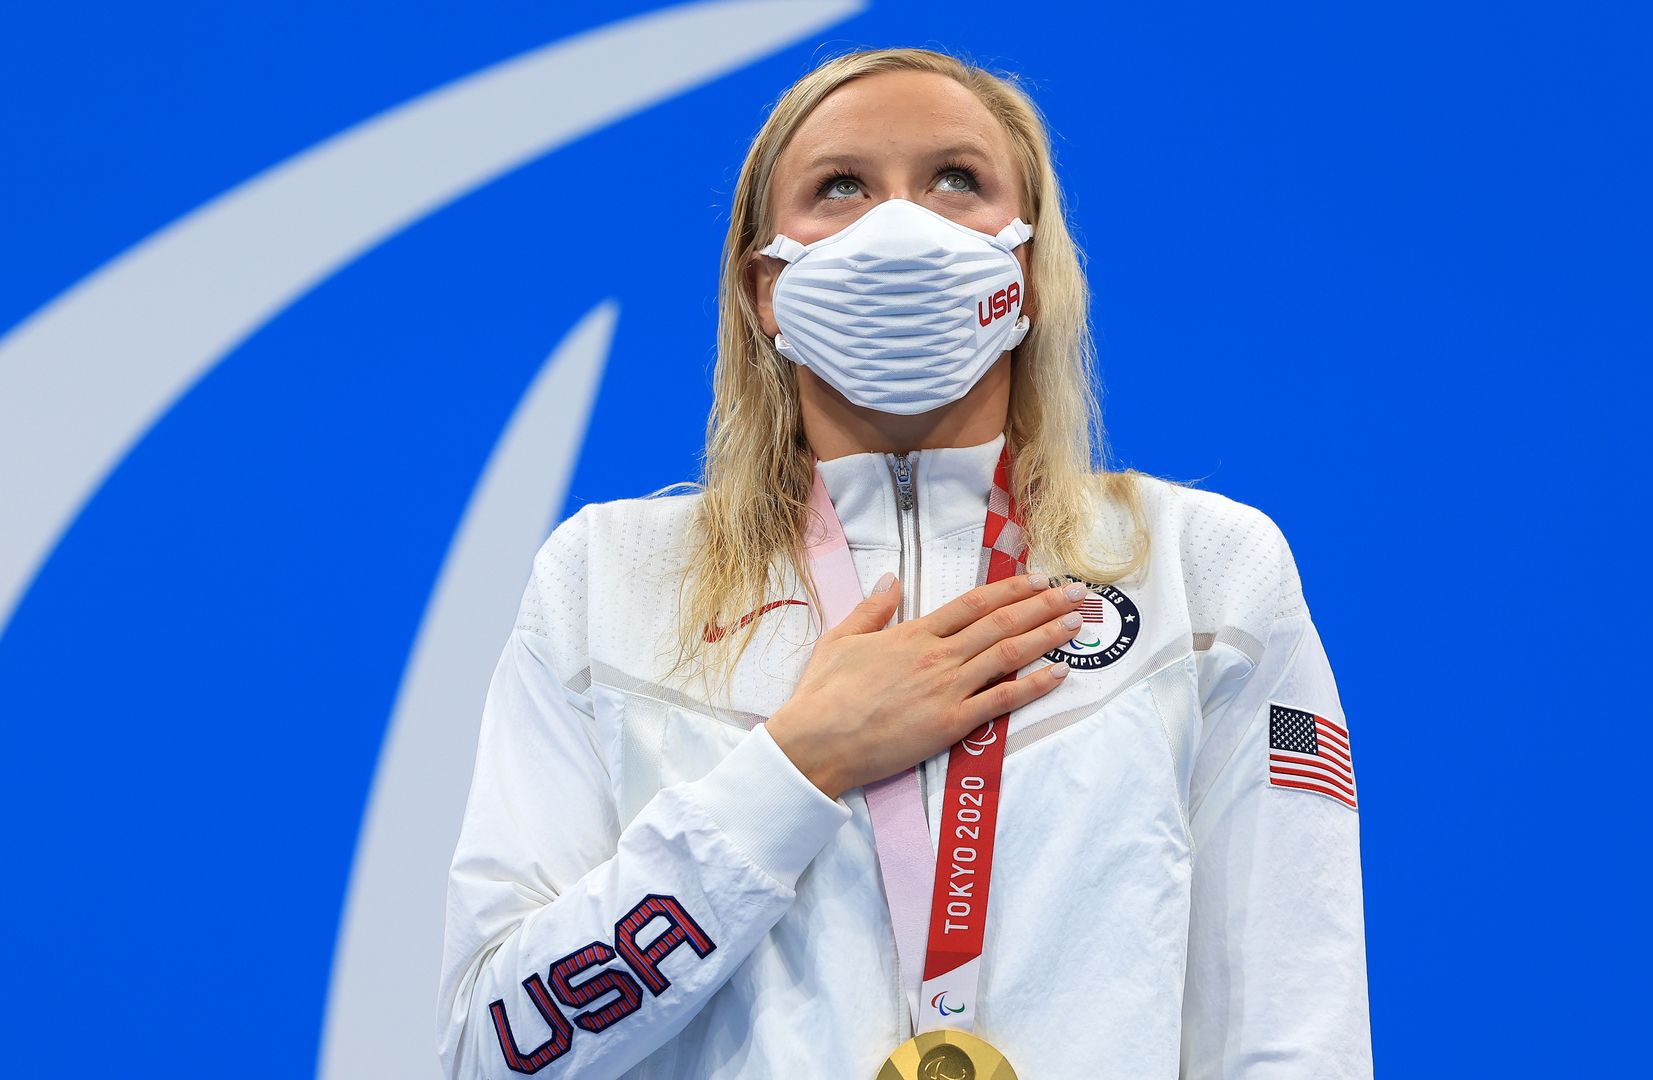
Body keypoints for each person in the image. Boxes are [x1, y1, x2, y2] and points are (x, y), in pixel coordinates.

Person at [436, 46, 1372, 1079]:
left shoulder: (1203, 571)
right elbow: (495, 1049)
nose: (901, 227)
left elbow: (1296, 1039)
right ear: (765, 291)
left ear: (1025, 268)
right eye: (841, 186)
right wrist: (796, 768)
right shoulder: (608, 584)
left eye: (955, 181)